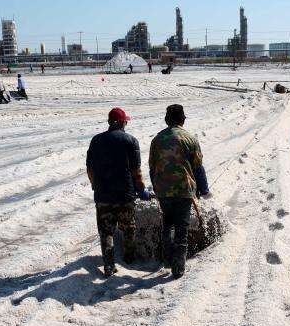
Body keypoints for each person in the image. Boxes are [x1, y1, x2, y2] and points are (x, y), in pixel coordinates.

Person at [86, 107, 151, 277]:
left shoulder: (96, 141)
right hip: (125, 194)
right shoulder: (131, 140)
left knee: (106, 230)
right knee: (128, 226)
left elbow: (90, 168)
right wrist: (141, 190)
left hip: (103, 195)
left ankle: (108, 265)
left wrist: (95, 186)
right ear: (122, 122)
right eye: (126, 121)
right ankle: (129, 257)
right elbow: (136, 170)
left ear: (109, 122)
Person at [149, 104, 210, 279]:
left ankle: (167, 260)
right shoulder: (190, 138)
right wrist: (204, 189)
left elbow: (152, 168)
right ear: (183, 119)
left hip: (163, 190)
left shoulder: (157, 139)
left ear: (167, 120)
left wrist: (156, 186)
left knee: (167, 224)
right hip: (184, 190)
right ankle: (178, 268)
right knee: (181, 229)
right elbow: (198, 168)